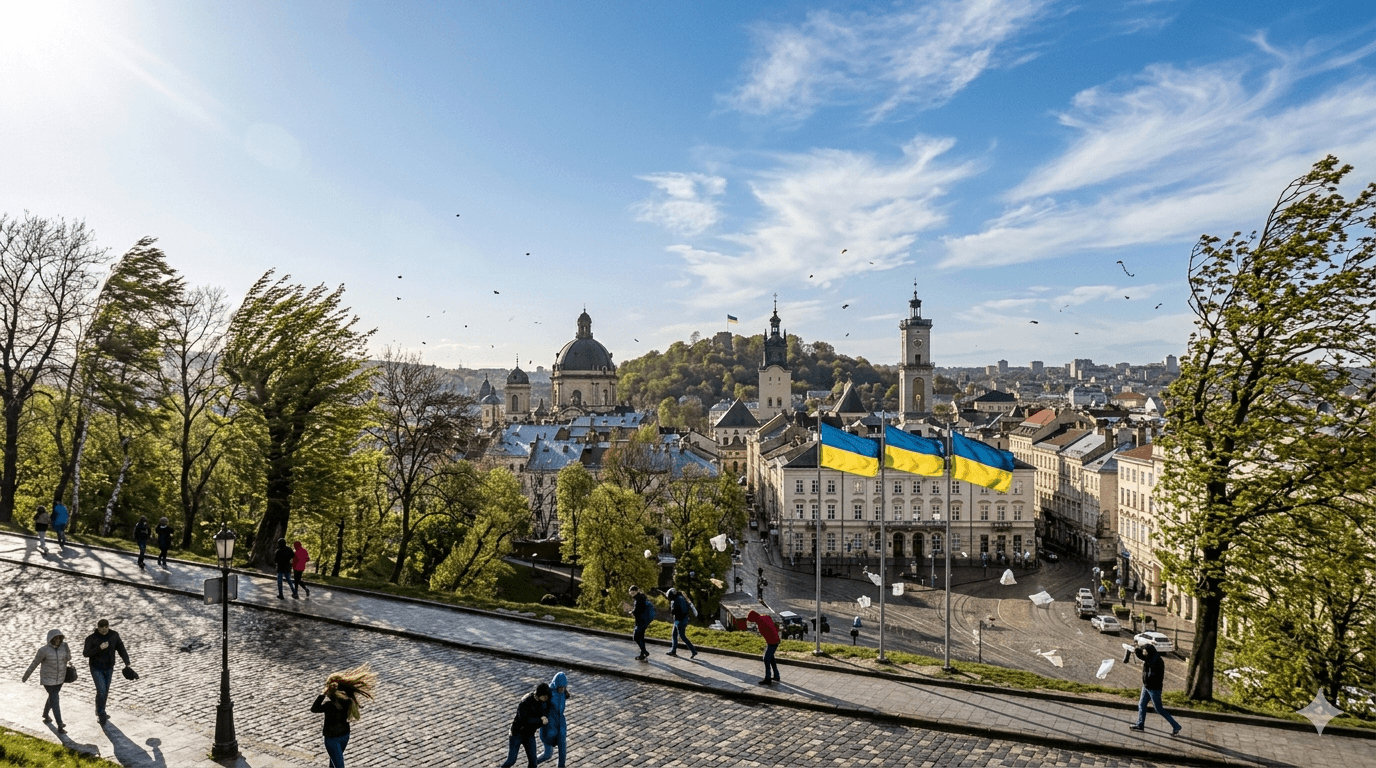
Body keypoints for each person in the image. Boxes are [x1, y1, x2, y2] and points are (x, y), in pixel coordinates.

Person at [311, 664, 377, 768]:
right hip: (344, 736)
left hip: (332, 739)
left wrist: (323, 694)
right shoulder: (347, 702)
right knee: (337, 763)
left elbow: (314, 709)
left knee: (336, 765)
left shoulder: (329, 705)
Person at [82, 618, 131, 724]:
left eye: (106, 627)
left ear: (108, 626)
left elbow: (121, 648)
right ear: (98, 627)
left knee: (105, 691)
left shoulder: (114, 635)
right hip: (96, 668)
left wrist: (127, 661)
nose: (104, 629)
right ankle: (101, 714)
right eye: (102, 627)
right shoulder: (91, 638)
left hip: (109, 667)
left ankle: (100, 710)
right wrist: (99, 648)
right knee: (102, 690)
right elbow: (86, 653)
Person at [22, 629, 71, 732]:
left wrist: (67, 649)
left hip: (60, 679)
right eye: (55, 638)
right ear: (51, 639)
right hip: (48, 680)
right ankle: (60, 724)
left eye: (59, 638)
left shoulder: (63, 647)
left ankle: (45, 715)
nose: (58, 640)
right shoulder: (43, 650)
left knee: (52, 697)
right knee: (55, 700)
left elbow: (68, 659)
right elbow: (34, 663)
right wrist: (26, 676)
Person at [1130, 643, 1181, 735]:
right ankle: (1140, 724)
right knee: (1141, 705)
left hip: (1154, 689)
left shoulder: (1156, 660)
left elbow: (1145, 658)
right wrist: (1138, 649)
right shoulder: (1151, 657)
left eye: (1145, 651)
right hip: (1146, 686)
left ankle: (1176, 726)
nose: (1144, 653)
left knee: (1159, 709)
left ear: (1150, 652)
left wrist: (1137, 650)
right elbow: (1143, 657)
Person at [501, 682, 550, 768]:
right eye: (545, 696)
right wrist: (540, 721)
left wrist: (544, 718)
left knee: (533, 762)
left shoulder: (543, 701)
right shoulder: (525, 702)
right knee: (511, 760)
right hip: (517, 733)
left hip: (529, 734)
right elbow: (525, 720)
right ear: (539, 695)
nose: (546, 698)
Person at [535, 673, 569, 768]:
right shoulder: (548, 694)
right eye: (560, 687)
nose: (562, 689)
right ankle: (532, 763)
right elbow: (540, 709)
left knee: (563, 750)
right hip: (549, 727)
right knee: (547, 754)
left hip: (561, 726)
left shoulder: (563, 693)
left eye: (563, 687)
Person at [746, 610, 780, 685]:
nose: (751, 622)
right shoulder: (765, 617)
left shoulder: (761, 623)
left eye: (751, 620)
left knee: (766, 659)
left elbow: (766, 632)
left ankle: (768, 678)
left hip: (772, 642)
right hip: (775, 640)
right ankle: (776, 676)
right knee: (771, 658)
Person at [665, 588, 697, 659]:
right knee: (674, 633)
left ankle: (693, 650)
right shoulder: (681, 598)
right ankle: (673, 651)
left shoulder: (675, 601)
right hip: (682, 619)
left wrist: (671, 609)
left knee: (682, 636)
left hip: (680, 620)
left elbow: (673, 612)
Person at [629, 586, 653, 661]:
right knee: (641, 637)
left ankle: (644, 652)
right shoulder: (642, 597)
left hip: (641, 621)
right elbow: (640, 609)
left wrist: (632, 612)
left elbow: (637, 611)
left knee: (636, 637)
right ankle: (642, 654)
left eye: (633, 593)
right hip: (645, 620)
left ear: (637, 591)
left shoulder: (638, 599)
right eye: (631, 593)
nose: (632, 595)